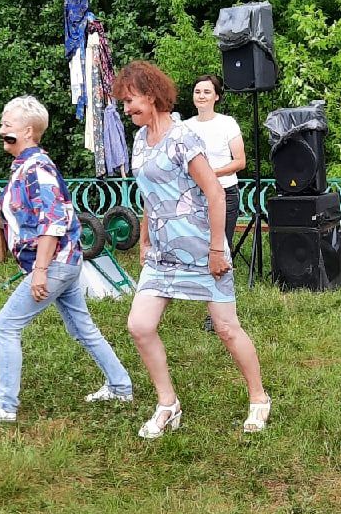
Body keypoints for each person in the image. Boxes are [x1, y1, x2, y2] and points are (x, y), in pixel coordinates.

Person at [114, 61, 270, 438]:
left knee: (227, 329)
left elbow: (216, 193)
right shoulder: (140, 140)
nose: (126, 109)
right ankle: (168, 403)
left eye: (130, 101)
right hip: (162, 254)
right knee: (139, 325)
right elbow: (150, 192)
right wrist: (147, 236)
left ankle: (259, 398)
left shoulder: (183, 138)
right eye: (123, 103)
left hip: (202, 249)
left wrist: (218, 249)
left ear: (151, 97)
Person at [0, 96, 133, 422]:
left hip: (54, 263)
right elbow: (5, 219)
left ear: (27, 131)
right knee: (83, 329)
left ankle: (5, 404)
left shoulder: (38, 169)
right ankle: (120, 386)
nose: (1, 130)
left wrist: (40, 271)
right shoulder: (23, 168)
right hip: (63, 263)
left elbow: (53, 224)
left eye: (6, 125)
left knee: (5, 326)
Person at [184, 74, 245, 250]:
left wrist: (211, 173)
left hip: (225, 192)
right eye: (197, 92)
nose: (201, 96)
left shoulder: (227, 123)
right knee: (197, 246)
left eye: (207, 92)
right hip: (194, 194)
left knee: (221, 247)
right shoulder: (185, 127)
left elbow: (240, 162)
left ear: (216, 96)